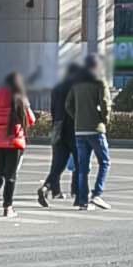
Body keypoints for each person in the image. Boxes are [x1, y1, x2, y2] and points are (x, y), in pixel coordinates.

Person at [0, 71, 34, 217]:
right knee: (10, 176)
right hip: (14, 141)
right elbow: (31, 120)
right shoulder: (20, 98)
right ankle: (8, 207)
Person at [68, 54, 112, 210]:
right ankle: (97, 194)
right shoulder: (99, 81)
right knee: (105, 162)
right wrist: (104, 119)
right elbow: (105, 104)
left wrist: (77, 117)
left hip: (79, 130)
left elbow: (68, 105)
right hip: (95, 128)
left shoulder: (76, 83)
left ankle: (83, 202)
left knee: (83, 168)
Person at [37, 60, 84, 208]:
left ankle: (46, 187)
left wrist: (55, 124)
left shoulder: (57, 87)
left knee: (58, 164)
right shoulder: (77, 87)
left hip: (58, 127)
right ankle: (78, 195)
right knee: (80, 162)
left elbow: (52, 109)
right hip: (74, 127)